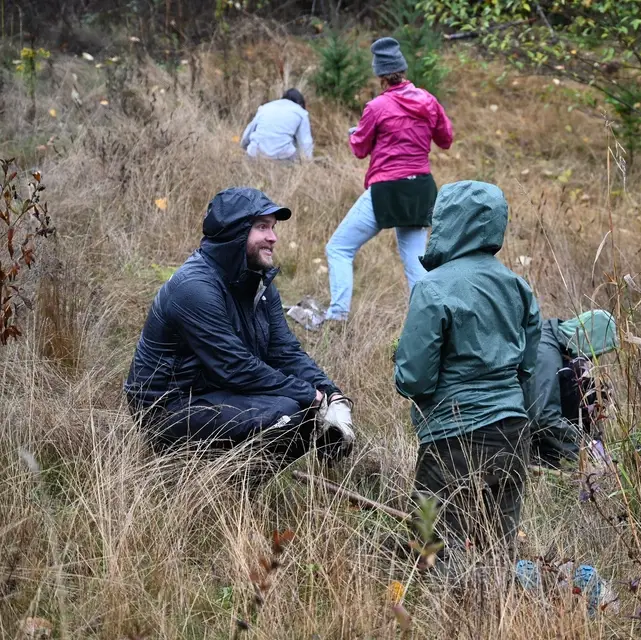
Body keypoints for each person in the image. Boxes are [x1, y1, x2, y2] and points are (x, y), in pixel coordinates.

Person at [124, 187, 354, 469]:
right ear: (234, 233)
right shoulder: (194, 288)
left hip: (215, 393)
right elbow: (234, 366)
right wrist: (313, 398)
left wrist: (332, 395)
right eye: (262, 227)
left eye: (273, 227)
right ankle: (210, 485)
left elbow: (285, 352)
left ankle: (234, 488)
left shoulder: (259, 284)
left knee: (303, 407)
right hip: (169, 409)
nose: (273, 237)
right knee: (291, 411)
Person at [394, 180, 541, 557]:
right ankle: (501, 611)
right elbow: (527, 365)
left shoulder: (432, 288)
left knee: (433, 547)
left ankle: (441, 611)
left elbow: (415, 378)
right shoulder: (518, 286)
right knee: (498, 551)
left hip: (452, 436)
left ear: (447, 222)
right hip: (512, 432)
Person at [324, 37, 453, 322]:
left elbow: (359, 148)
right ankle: (429, 323)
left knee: (339, 248)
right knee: (414, 263)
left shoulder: (376, 107)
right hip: (420, 188)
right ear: (403, 70)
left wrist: (354, 133)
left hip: (387, 188)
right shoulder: (429, 101)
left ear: (380, 75)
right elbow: (446, 139)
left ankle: (337, 317)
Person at [531, 310, 618, 469]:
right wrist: (585, 448)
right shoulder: (545, 355)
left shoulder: (556, 340)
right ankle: (545, 458)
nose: (593, 359)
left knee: (593, 386)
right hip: (516, 431)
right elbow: (543, 416)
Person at [240, 88, 313, 161]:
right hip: (281, 158)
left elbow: (248, 133)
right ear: (300, 103)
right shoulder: (301, 112)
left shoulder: (265, 107)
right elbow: (305, 143)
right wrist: (308, 162)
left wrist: (244, 147)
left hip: (255, 154)